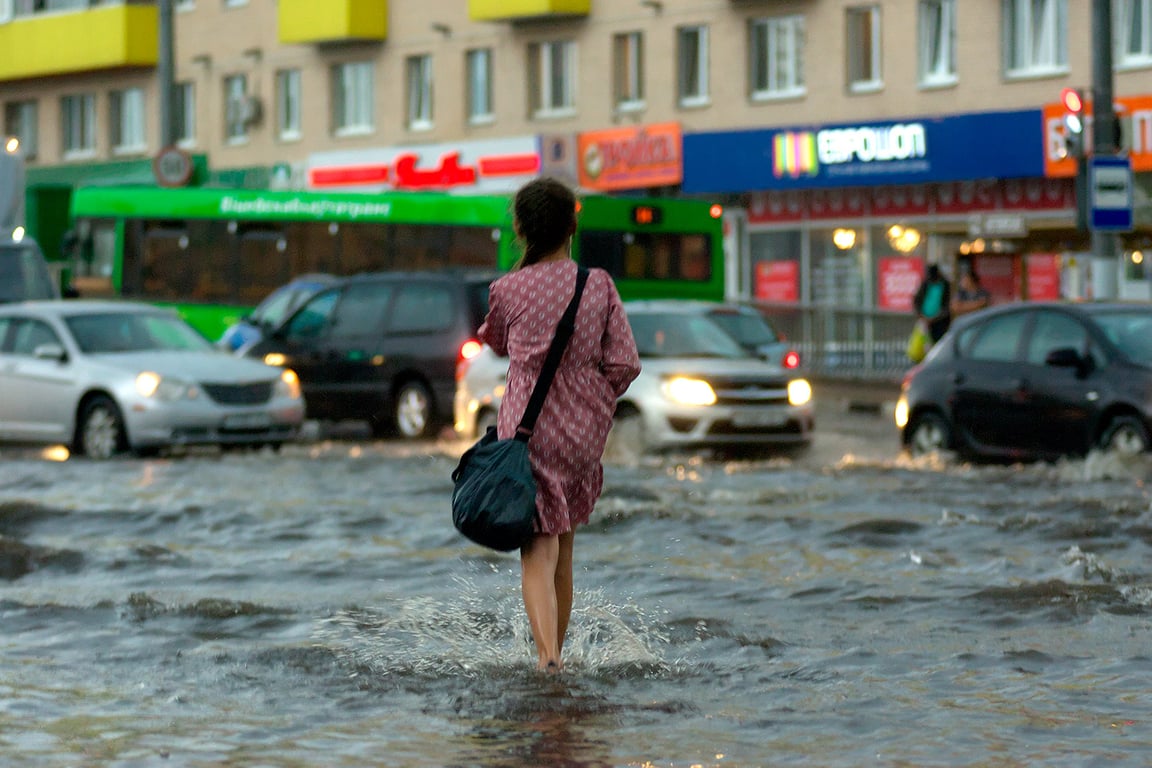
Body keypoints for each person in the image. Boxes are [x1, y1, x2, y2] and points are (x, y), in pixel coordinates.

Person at [477, 177, 641, 673]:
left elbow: (496, 342)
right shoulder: (598, 284)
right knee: (563, 544)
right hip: (583, 434)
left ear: (522, 230)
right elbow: (625, 363)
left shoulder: (507, 289)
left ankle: (547, 661)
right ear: (573, 224)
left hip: (529, 431)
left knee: (537, 550)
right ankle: (558, 654)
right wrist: (591, 402)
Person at [913, 264, 952, 344]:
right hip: (924, 320)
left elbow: (947, 304)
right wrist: (922, 316)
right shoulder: (925, 284)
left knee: (938, 342)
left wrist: (935, 317)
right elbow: (916, 300)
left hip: (940, 321)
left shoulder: (944, 284)